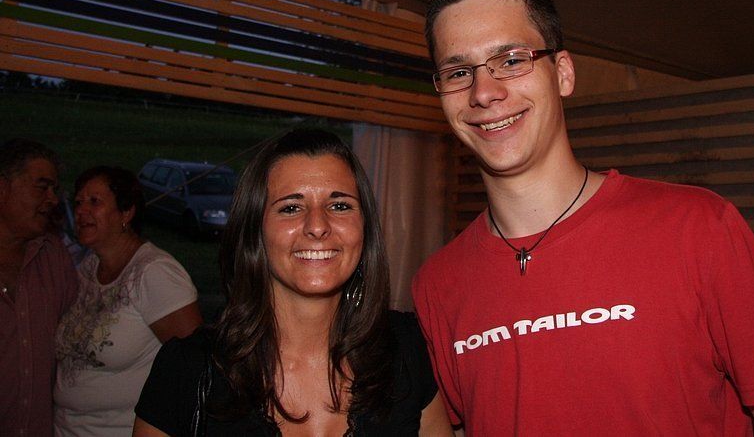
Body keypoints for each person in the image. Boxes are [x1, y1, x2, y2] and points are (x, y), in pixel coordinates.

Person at [411, 0, 754, 435]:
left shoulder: (696, 227)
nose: (484, 92)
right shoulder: (437, 285)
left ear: (563, 73)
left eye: (511, 60)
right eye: (458, 72)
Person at [134, 128, 452, 435]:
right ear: (255, 231)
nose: (317, 226)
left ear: (365, 228)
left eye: (339, 205)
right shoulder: (186, 370)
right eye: (291, 208)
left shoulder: (406, 349)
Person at [53, 166, 203, 436]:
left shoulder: (154, 273)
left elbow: (196, 365)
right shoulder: (87, 267)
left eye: (94, 202)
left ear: (126, 212)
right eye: (78, 202)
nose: (81, 211)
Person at [0, 138, 78, 437]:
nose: (53, 199)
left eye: (54, 189)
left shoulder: (53, 258)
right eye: (42, 187)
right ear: (3, 188)